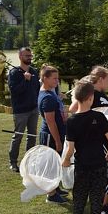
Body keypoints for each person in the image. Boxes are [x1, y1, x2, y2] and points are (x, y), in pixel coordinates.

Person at [62, 79, 108, 214]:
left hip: (81, 167)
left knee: (78, 203)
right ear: (90, 98)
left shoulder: (71, 121)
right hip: (99, 166)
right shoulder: (99, 117)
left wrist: (65, 160)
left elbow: (70, 149)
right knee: (95, 204)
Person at [72, 66, 108, 214]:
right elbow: (75, 110)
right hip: (102, 142)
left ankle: (104, 204)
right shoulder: (91, 94)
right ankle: (100, 206)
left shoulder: (99, 95)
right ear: (100, 79)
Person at [7, 47, 40, 173]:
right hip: (20, 110)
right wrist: (25, 81)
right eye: (27, 55)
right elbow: (15, 91)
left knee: (31, 136)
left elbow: (36, 89)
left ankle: (28, 161)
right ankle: (13, 162)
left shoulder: (34, 71)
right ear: (20, 56)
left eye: (30, 55)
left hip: (33, 109)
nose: (29, 57)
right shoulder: (14, 73)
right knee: (18, 136)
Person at [38, 65, 68, 204]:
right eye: (54, 78)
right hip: (51, 135)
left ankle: (55, 187)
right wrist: (58, 141)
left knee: (56, 163)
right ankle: (51, 194)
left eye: (58, 78)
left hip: (57, 133)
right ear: (45, 78)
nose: (57, 81)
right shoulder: (47, 98)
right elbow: (51, 122)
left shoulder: (51, 93)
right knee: (51, 164)